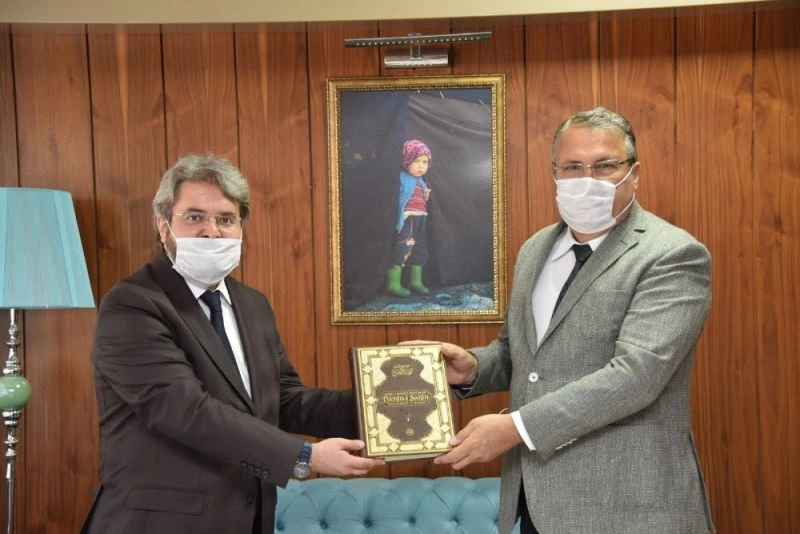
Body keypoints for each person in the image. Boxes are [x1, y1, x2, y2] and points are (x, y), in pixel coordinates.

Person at [420, 107, 714, 533]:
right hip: (536, 502)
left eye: (604, 166)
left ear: (634, 174)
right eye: (572, 167)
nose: (586, 179)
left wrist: (515, 428)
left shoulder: (672, 255)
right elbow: (522, 354)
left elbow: (637, 376)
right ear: (555, 173)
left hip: (629, 506)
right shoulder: (535, 249)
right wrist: (473, 368)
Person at [81, 154, 384, 534]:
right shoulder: (132, 304)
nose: (211, 232)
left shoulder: (252, 305)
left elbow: (284, 401)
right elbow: (184, 409)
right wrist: (304, 456)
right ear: (163, 225)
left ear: (241, 227)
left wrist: (398, 401)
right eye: (195, 217)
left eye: (225, 219)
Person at [386, 139, 433, 297]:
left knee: (420, 249)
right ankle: (393, 284)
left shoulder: (421, 180)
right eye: (416, 161)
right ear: (406, 160)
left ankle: (415, 282)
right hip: (407, 219)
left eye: (425, 162)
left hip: (421, 218)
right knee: (402, 248)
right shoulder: (400, 177)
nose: (421, 166)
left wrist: (426, 193)